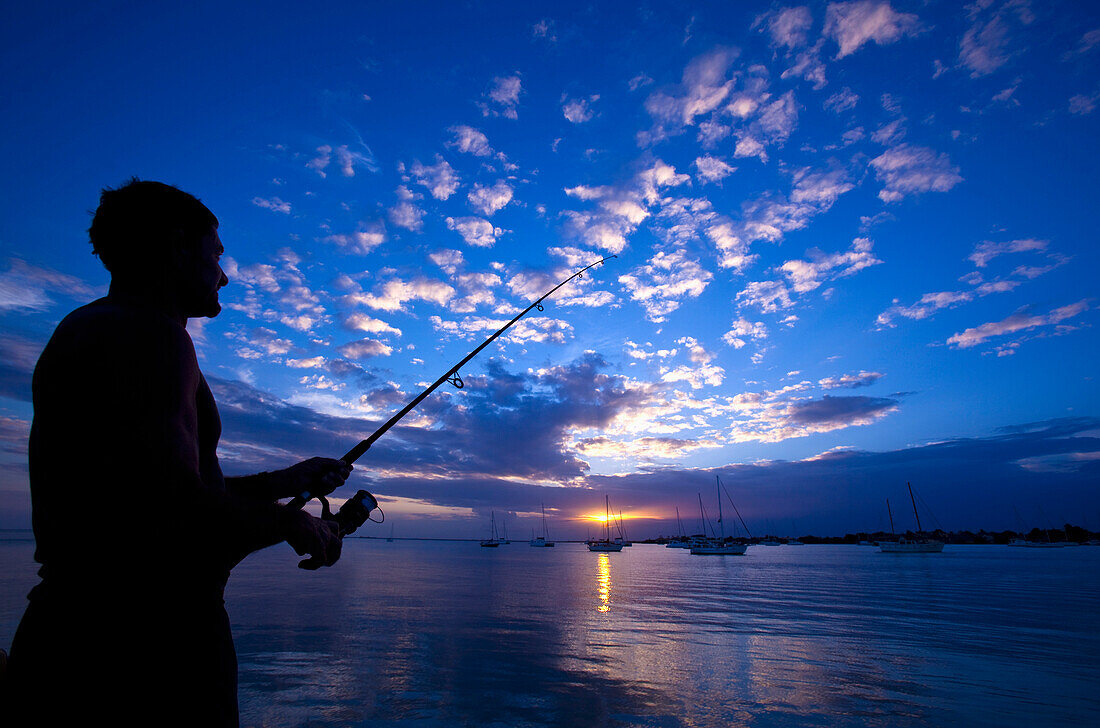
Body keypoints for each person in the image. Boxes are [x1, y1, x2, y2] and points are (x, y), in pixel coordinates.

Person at [2, 179, 352, 727]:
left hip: (79, 628)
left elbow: (152, 488)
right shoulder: (150, 335)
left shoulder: (95, 328)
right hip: (143, 645)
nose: (224, 274)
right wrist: (294, 527)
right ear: (176, 245)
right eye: (216, 255)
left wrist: (288, 481)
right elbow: (174, 509)